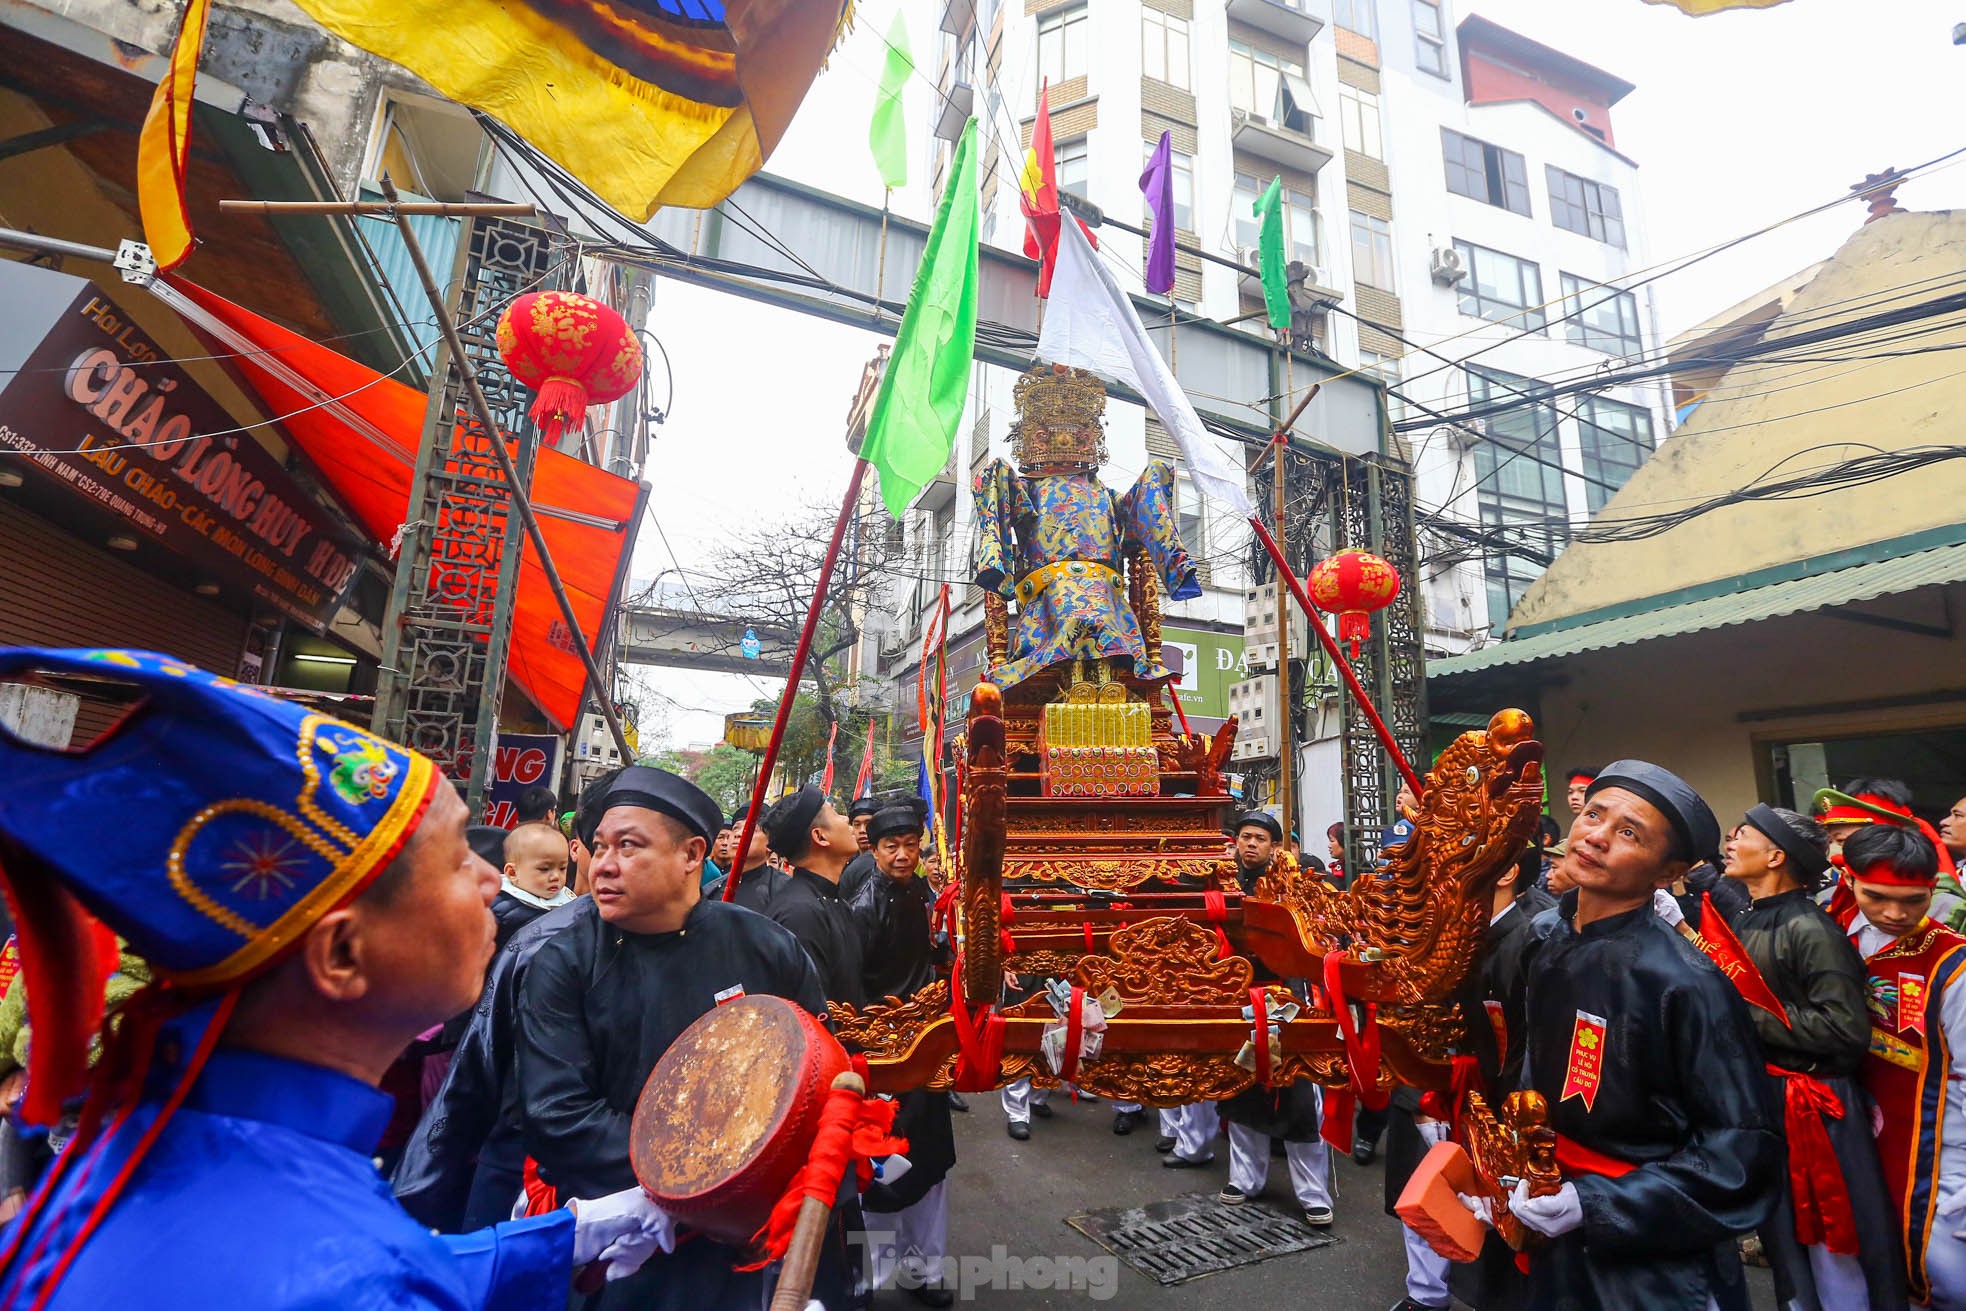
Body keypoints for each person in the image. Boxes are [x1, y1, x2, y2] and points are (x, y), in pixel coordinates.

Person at [0, 648, 666, 1308]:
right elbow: (353, 1272)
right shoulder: (352, 1280)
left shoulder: (181, 1141)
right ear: (342, 953)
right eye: (458, 857)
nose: (492, 877)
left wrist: (557, 1240)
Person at [516, 765, 835, 1309]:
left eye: (628, 846)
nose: (604, 865)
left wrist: (748, 1176)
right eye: (598, 846)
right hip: (621, 1228)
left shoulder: (765, 945)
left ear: (691, 855)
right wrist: (691, 1176)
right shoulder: (561, 961)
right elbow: (558, 1113)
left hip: (747, 1226)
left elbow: (815, 1065)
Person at [1478, 759, 1782, 1310]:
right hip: (1550, 1217)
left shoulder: (1685, 982)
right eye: (1594, 814)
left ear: (1667, 873)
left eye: (1628, 832)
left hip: (1652, 1264)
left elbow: (1741, 1153)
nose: (1595, 835)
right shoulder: (1544, 939)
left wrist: (1597, 1202)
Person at [396, 771, 622, 1234]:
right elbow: (472, 1073)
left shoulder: (569, 922)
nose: (482, 877)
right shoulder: (528, 934)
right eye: (454, 859)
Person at [1727, 806, 1903, 1310]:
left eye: (1743, 836)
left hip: (1816, 1107)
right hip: (1772, 1100)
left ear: (1776, 856)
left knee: (1835, 1241)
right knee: (1787, 1239)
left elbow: (1845, 1031)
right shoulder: (1746, 917)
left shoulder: (1810, 928)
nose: (1732, 843)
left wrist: (1742, 1014)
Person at [1835, 823, 1966, 1307]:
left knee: (1945, 1273)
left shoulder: (1952, 962)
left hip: (1942, 1140)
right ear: (1848, 880)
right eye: (1877, 896)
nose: (1895, 913)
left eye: (1915, 899)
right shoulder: (1832, 930)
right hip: (1859, 1123)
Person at [1440, 841, 1556, 1311]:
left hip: (1516, 1106)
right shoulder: (1476, 932)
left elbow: (1530, 1043)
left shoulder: (1529, 937)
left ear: (1507, 873)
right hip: (1484, 1094)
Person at [850, 806, 956, 1308]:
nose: (902, 854)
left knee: (931, 1163)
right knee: (879, 1168)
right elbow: (854, 985)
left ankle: (925, 1271)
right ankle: (869, 1277)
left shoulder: (925, 894)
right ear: (874, 851)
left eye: (910, 845)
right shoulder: (864, 905)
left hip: (927, 1045)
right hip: (883, 1053)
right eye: (891, 846)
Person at [1216, 811, 1332, 1226]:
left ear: (1274, 847)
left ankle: (1313, 1193)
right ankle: (1245, 1179)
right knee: (1242, 1087)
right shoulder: (1222, 883)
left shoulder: (1294, 886)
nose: (1250, 844)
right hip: (1238, 994)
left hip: (1285, 997)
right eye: (1245, 836)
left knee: (1299, 1097)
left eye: (1260, 839)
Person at [757, 787, 868, 1009]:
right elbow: (812, 1014)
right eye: (835, 813)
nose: (846, 818)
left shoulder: (833, 901)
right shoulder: (800, 914)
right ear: (820, 836)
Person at [492, 822, 574, 947]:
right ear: (513, 873)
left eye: (562, 868)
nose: (556, 876)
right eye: (544, 869)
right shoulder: (499, 907)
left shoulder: (569, 902)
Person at [704, 818, 783, 911]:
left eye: (752, 829)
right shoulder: (712, 889)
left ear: (770, 843)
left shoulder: (783, 890)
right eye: (735, 829)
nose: (738, 834)